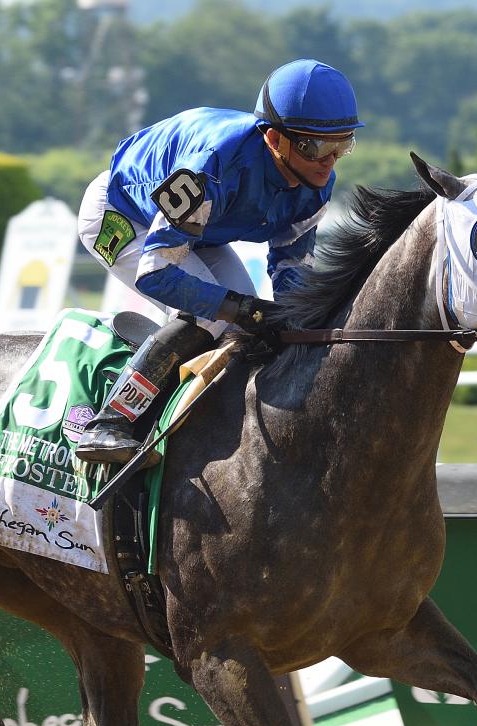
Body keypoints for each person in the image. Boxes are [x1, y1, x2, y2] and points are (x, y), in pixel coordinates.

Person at [74, 58, 364, 465]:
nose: (328, 161)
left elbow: (291, 273)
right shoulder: (213, 165)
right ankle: (110, 422)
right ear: (273, 139)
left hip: (205, 229)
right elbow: (157, 274)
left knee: (250, 320)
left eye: (342, 144)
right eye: (315, 146)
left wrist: (295, 322)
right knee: (217, 315)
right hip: (123, 214)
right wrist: (243, 309)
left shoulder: (317, 187)